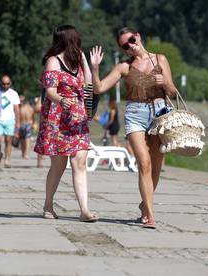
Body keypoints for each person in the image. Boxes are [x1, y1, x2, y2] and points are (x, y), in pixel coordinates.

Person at [90, 27, 177, 228]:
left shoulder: (160, 60)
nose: (130, 46)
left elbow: (172, 92)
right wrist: (95, 69)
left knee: (156, 167)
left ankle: (144, 205)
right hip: (135, 115)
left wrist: (164, 82)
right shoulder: (124, 67)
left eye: (130, 40)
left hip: (160, 114)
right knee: (144, 164)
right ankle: (150, 215)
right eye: (124, 45)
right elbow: (99, 88)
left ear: (137, 35)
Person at [34, 25, 97, 222]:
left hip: (78, 118)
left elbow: (87, 85)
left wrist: (86, 61)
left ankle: (84, 210)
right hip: (58, 118)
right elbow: (50, 91)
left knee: (80, 162)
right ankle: (48, 205)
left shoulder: (77, 61)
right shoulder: (54, 62)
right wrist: (61, 100)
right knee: (59, 165)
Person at [0, 75, 20, 168]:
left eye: (8, 84)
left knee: (8, 141)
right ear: (0, 83)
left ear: (10, 83)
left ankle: (7, 160)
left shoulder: (14, 93)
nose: (5, 85)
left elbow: (17, 109)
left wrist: (18, 123)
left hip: (10, 120)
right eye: (3, 83)